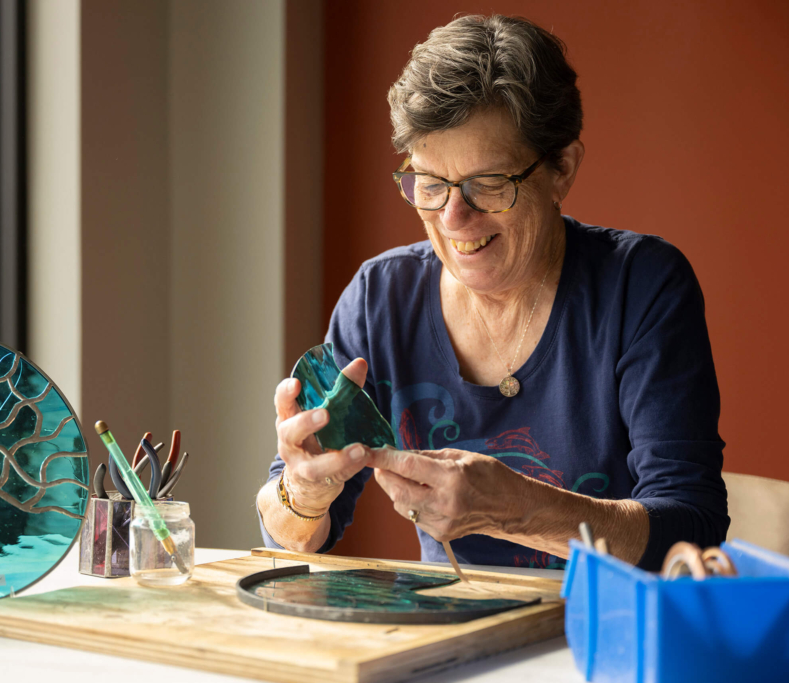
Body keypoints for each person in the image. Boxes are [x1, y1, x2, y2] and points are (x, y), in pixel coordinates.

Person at [256, 14, 728, 570]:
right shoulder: (382, 297)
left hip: (603, 638)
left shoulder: (640, 286)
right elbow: (293, 537)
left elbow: (692, 531)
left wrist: (518, 511)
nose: (454, 218)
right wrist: (305, 494)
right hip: (449, 642)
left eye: (488, 184)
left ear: (562, 171)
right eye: (430, 184)